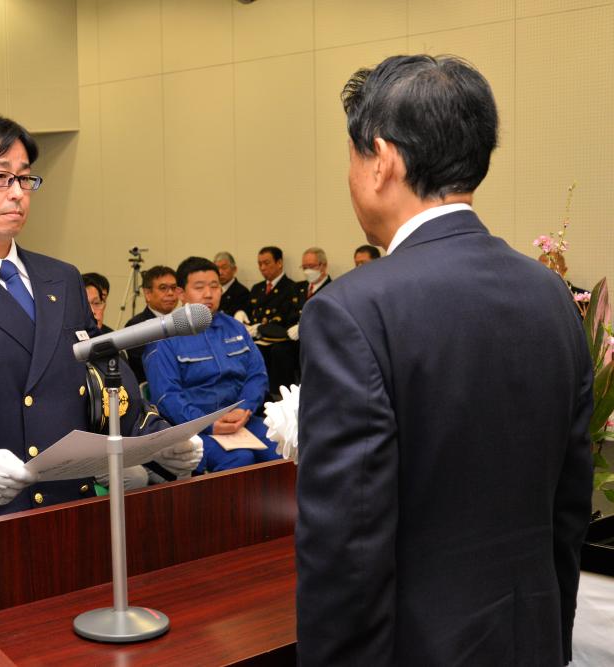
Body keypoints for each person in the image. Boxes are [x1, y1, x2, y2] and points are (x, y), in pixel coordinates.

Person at [295, 55, 593, 666]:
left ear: (382, 159)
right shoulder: (551, 297)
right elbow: (568, 511)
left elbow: (347, 549)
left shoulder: (352, 310)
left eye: (351, 157)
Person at [0, 114, 199, 528]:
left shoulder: (60, 278)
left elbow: (102, 378)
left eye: (24, 179)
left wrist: (156, 437)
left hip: (73, 511)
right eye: (0, 177)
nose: (17, 193)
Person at [144, 257, 279, 473]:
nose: (209, 294)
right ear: (181, 293)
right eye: (199, 287)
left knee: (281, 450)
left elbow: (257, 375)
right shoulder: (164, 337)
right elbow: (167, 397)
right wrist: (209, 424)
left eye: (215, 286)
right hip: (191, 426)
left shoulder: (235, 328)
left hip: (241, 418)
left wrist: (244, 409)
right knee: (239, 459)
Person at [246, 247, 300, 395]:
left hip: (278, 340)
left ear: (279, 263)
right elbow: (249, 314)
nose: (262, 268)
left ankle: (275, 396)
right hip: (257, 338)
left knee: (278, 352)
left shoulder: (291, 288)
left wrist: (262, 328)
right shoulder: (257, 288)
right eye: (260, 264)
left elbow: (288, 322)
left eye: (266, 263)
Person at [122, 265, 178, 382]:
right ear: (147, 293)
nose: (170, 293)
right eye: (163, 288)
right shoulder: (136, 326)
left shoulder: (182, 322)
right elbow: (145, 366)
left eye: (174, 288)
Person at [213, 251, 250, 317]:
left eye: (224, 268)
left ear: (234, 269)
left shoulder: (242, 292)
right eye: (217, 268)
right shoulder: (212, 290)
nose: (220, 272)